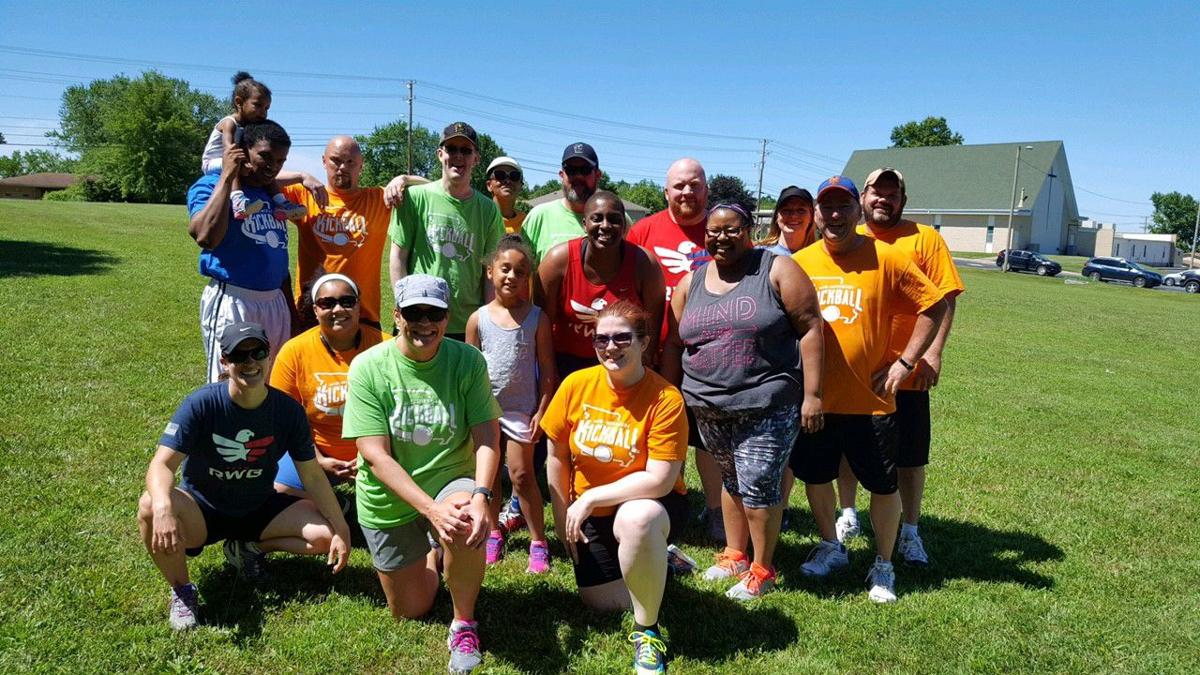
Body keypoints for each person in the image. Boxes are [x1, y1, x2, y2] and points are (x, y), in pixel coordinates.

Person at [790, 176, 948, 603]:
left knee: (883, 485)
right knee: (817, 477)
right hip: (817, 398)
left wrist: (906, 361)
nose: (836, 215)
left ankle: (883, 564)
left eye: (844, 207)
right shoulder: (800, 261)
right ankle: (830, 546)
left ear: (858, 211)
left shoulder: (889, 257)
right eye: (828, 207)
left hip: (871, 401)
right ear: (817, 214)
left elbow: (935, 304)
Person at [137, 321, 351, 630]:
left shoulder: (287, 411)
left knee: (325, 536)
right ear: (224, 361)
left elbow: (313, 477)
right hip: (203, 510)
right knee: (148, 506)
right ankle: (183, 591)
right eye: (239, 355)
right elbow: (161, 464)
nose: (250, 362)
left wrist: (342, 527)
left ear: (268, 356)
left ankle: (247, 549)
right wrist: (163, 507)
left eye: (258, 352)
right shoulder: (202, 403)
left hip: (258, 506)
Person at [663, 203, 824, 601]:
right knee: (730, 481)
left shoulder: (776, 269)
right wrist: (671, 393)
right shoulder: (693, 282)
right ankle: (735, 554)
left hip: (767, 402)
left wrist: (813, 394)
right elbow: (675, 341)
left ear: (749, 229)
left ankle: (763, 569)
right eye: (714, 231)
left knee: (759, 485)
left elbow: (810, 327)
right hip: (708, 404)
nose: (722, 237)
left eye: (732, 229)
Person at [342, 274, 501, 674]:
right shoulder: (368, 368)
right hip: (388, 494)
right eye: (415, 313)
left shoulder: (467, 360)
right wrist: (431, 510)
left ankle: (464, 622)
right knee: (410, 610)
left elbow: (486, 435)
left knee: (465, 520)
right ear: (397, 315)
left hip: (451, 481)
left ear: (448, 318)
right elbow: (375, 456)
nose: (425, 323)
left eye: (435, 313)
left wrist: (481, 494)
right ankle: (432, 552)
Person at [541, 300, 688, 675]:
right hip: (590, 514)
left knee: (638, 518)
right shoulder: (576, 385)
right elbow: (555, 456)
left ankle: (647, 631)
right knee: (599, 602)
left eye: (622, 338)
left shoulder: (665, 399)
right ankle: (661, 565)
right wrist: (561, 518)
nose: (610, 347)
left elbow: (660, 479)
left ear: (643, 343)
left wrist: (589, 497)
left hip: (650, 503)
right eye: (601, 339)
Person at [831, 168, 965, 565]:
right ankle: (849, 514)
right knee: (847, 450)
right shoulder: (849, 237)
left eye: (892, 194)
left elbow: (946, 299)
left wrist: (932, 353)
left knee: (909, 456)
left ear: (903, 200)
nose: (883, 200)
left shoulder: (925, 239)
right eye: (876, 192)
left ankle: (910, 532)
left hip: (906, 371)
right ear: (863, 198)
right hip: (856, 372)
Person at [626, 157, 725, 544]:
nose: (687, 191)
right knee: (658, 432)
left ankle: (716, 510)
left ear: (706, 188)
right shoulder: (645, 230)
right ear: (665, 191)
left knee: (706, 436)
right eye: (679, 185)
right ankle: (666, 500)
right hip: (654, 352)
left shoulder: (720, 228)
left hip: (710, 353)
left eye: (695, 184)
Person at [465, 236, 556, 572]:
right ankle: (492, 533)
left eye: (520, 271)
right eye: (505, 269)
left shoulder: (536, 318)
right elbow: (469, 370)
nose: (511, 277)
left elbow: (547, 369)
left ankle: (538, 541)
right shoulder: (478, 319)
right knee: (488, 477)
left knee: (521, 474)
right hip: (485, 411)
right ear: (491, 272)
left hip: (522, 410)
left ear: (527, 277)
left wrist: (542, 408)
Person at [189, 119, 300, 382]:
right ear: (244, 150)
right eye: (265, 156)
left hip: (276, 302)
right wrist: (228, 175)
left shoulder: (269, 196)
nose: (273, 166)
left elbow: (277, 260)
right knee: (230, 383)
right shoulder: (211, 185)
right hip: (234, 300)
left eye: (281, 160)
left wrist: (291, 313)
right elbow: (205, 236)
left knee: (275, 381)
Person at [282, 136, 428, 331]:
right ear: (324, 161)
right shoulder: (305, 194)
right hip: (314, 310)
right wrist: (301, 176)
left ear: (361, 166)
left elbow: (435, 190)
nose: (342, 167)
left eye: (350, 162)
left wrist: (404, 179)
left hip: (363, 315)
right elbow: (259, 177)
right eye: (336, 160)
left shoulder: (379, 199)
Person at [270, 273, 386, 502]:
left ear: (359, 306)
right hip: (314, 454)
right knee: (277, 494)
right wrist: (317, 459)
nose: (338, 309)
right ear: (315, 310)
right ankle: (335, 502)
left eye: (347, 301)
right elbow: (283, 419)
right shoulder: (294, 351)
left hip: (379, 452)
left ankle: (328, 499)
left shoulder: (386, 346)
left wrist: (373, 456)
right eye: (327, 303)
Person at [388, 122, 504, 342]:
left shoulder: (487, 209)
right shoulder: (414, 198)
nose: (458, 156)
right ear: (440, 154)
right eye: (451, 149)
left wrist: (488, 318)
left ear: (476, 158)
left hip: (466, 323)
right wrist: (402, 304)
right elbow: (398, 256)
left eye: (466, 150)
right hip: (420, 316)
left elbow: (490, 272)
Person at [536, 191, 665, 380]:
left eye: (614, 219)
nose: (605, 226)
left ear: (624, 226)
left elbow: (651, 331)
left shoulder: (644, 264)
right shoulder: (557, 262)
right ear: (584, 224)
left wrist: (638, 376)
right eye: (597, 219)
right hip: (567, 364)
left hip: (622, 363)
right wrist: (550, 376)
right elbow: (541, 328)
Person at [199, 72, 309, 221]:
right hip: (213, 162)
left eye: (266, 108)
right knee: (235, 163)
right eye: (258, 105)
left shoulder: (250, 126)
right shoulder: (229, 122)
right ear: (239, 102)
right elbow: (229, 149)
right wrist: (243, 163)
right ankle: (238, 202)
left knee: (266, 174)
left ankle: (281, 204)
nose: (263, 112)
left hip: (231, 159)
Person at [521, 142, 602, 263]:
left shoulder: (615, 220)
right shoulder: (539, 216)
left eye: (585, 170)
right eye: (571, 170)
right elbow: (519, 269)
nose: (578, 176)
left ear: (598, 175)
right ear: (561, 175)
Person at [760, 185, 816, 256]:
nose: (793, 216)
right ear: (777, 216)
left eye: (801, 210)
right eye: (786, 210)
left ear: (811, 216)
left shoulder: (820, 258)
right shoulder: (759, 255)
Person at [485, 156, 527, 234]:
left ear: (521, 186)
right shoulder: (480, 218)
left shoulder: (527, 222)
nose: (507, 181)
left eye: (514, 176)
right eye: (500, 175)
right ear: (489, 185)